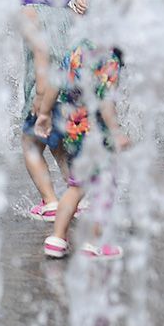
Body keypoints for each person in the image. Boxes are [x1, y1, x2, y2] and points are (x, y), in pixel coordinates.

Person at [34, 40, 129, 259]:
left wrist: (45, 113)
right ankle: (96, 243)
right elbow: (105, 102)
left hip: (74, 131)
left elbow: (55, 83)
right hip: (98, 135)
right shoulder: (109, 59)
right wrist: (116, 132)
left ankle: (57, 239)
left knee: (76, 187)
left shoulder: (76, 51)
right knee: (104, 187)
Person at [19, 0, 83, 222]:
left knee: (31, 145)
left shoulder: (30, 11)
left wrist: (41, 94)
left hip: (46, 90)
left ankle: (50, 201)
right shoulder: (70, 13)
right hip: (72, 91)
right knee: (59, 144)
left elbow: (41, 50)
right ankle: (79, 195)